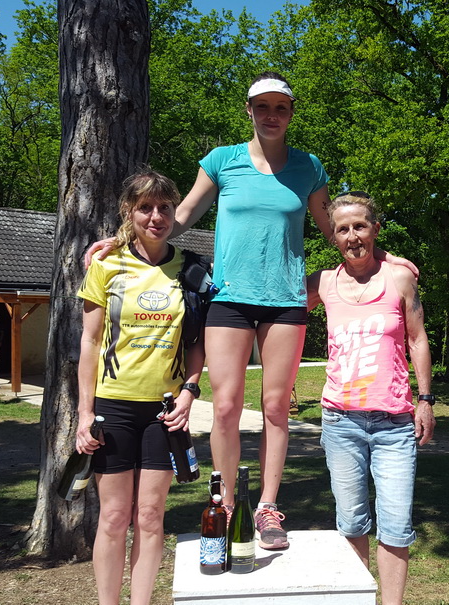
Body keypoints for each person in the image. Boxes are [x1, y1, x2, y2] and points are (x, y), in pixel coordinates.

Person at [85, 72, 416, 551]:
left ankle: (266, 508)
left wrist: (385, 259)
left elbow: (339, 233)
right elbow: (177, 219)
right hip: (230, 299)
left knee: (277, 406)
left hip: (285, 302)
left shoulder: (308, 168)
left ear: (290, 114)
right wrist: (120, 243)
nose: (271, 115)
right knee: (224, 406)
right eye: (263, 107)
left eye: (280, 107)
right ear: (249, 111)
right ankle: (222, 501)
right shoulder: (223, 161)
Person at [76, 170, 205, 605]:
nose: (156, 216)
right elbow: (90, 343)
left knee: (150, 516)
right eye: (145, 208)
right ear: (128, 213)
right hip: (113, 407)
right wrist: (83, 415)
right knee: (113, 517)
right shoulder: (106, 264)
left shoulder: (191, 268)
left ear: (174, 212)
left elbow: (197, 344)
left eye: (165, 207)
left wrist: (190, 391)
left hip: (163, 412)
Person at [307, 191, 436, 605]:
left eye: (360, 226)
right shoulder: (323, 283)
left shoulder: (399, 278)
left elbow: (417, 340)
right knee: (352, 523)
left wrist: (426, 399)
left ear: (375, 229)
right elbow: (275, 309)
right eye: (342, 229)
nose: (352, 236)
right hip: (340, 421)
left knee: (396, 526)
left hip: (394, 424)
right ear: (334, 238)